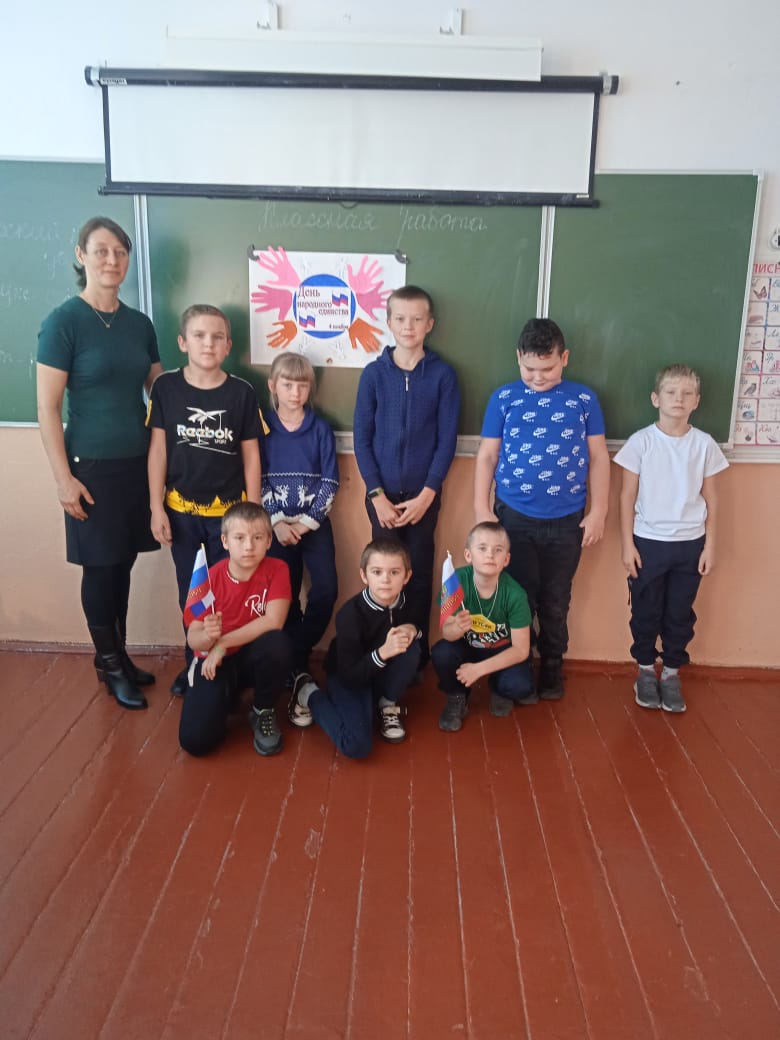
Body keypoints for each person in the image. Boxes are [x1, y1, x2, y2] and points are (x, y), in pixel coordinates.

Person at [36, 216, 163, 711]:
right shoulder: (64, 322)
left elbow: (159, 389)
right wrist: (63, 479)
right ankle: (109, 664)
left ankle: (118, 656)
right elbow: (47, 408)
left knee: (123, 561)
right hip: (89, 466)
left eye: (121, 252)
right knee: (101, 565)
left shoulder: (139, 324)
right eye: (102, 250)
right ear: (81, 255)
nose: (113, 260)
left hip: (136, 463)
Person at [474, 317, 610, 699]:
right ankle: (518, 664)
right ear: (518, 357)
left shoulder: (584, 400)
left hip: (567, 520)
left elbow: (599, 457)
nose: (537, 377)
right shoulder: (504, 398)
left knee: (556, 598)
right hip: (514, 517)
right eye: (529, 368)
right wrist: (481, 508)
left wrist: (598, 511)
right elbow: (487, 456)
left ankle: (552, 663)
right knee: (518, 596)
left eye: (547, 368)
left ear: (564, 358)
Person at [146, 304, 264, 695]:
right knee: (192, 593)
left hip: (228, 519)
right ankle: (194, 664)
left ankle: (225, 665)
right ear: (183, 342)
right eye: (199, 336)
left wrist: (253, 514)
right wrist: (156, 506)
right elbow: (158, 451)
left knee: (230, 591)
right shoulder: (165, 388)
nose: (208, 344)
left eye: (217, 337)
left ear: (229, 345)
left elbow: (251, 456)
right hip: (181, 514)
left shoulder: (241, 392)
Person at [353, 285, 460, 668]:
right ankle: (384, 649)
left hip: (422, 498)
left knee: (417, 571)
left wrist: (428, 493)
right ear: (389, 322)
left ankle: (415, 652)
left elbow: (447, 441)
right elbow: (361, 439)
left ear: (429, 324)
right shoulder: (373, 375)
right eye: (400, 318)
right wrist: (376, 494)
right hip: (381, 497)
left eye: (417, 319)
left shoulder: (443, 375)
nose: (408, 326)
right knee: (384, 574)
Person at [614, 364, 728, 713]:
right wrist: (627, 545)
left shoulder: (704, 444)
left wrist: (710, 546)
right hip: (648, 542)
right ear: (656, 398)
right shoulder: (641, 442)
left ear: (697, 401)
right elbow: (626, 497)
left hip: (690, 545)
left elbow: (712, 499)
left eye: (687, 393)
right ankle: (646, 671)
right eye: (671, 392)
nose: (679, 399)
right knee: (646, 610)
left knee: (680, 612)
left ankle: (672, 673)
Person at [287, 537, 421, 758]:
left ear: (406, 576)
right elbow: (350, 675)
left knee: (411, 647)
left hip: (378, 671)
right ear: (364, 575)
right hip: (348, 676)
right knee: (356, 745)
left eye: (394, 572)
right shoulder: (349, 615)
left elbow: (418, 627)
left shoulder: (409, 601)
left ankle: (387, 704)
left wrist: (412, 629)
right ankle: (307, 692)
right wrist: (382, 653)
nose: (385, 580)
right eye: (377, 572)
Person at [179, 502, 293, 757]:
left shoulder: (278, 569)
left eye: (257, 537)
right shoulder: (208, 579)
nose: (249, 546)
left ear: (269, 541)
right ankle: (225, 696)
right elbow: (193, 639)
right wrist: (207, 637)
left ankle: (263, 709)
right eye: (239, 538)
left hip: (248, 655)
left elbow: (273, 621)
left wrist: (223, 643)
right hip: (214, 662)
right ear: (225, 541)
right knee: (195, 741)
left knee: (278, 643)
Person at [262, 352, 339, 679]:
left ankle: (298, 651)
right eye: (287, 385)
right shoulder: (262, 428)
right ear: (273, 386)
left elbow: (331, 481)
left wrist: (305, 524)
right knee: (285, 594)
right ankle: (294, 665)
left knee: (326, 589)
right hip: (276, 527)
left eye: (302, 385)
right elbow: (257, 478)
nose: (295, 393)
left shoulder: (320, 429)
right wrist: (277, 522)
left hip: (314, 525)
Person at [432, 522, 535, 732]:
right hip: (468, 648)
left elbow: (521, 650)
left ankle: (499, 688)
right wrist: (456, 628)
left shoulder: (515, 594)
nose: (490, 555)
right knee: (441, 653)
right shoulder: (455, 582)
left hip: (502, 649)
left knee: (520, 685)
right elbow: (446, 634)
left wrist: (479, 670)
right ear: (468, 555)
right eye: (482, 548)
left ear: (506, 559)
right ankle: (457, 696)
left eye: (498, 550)